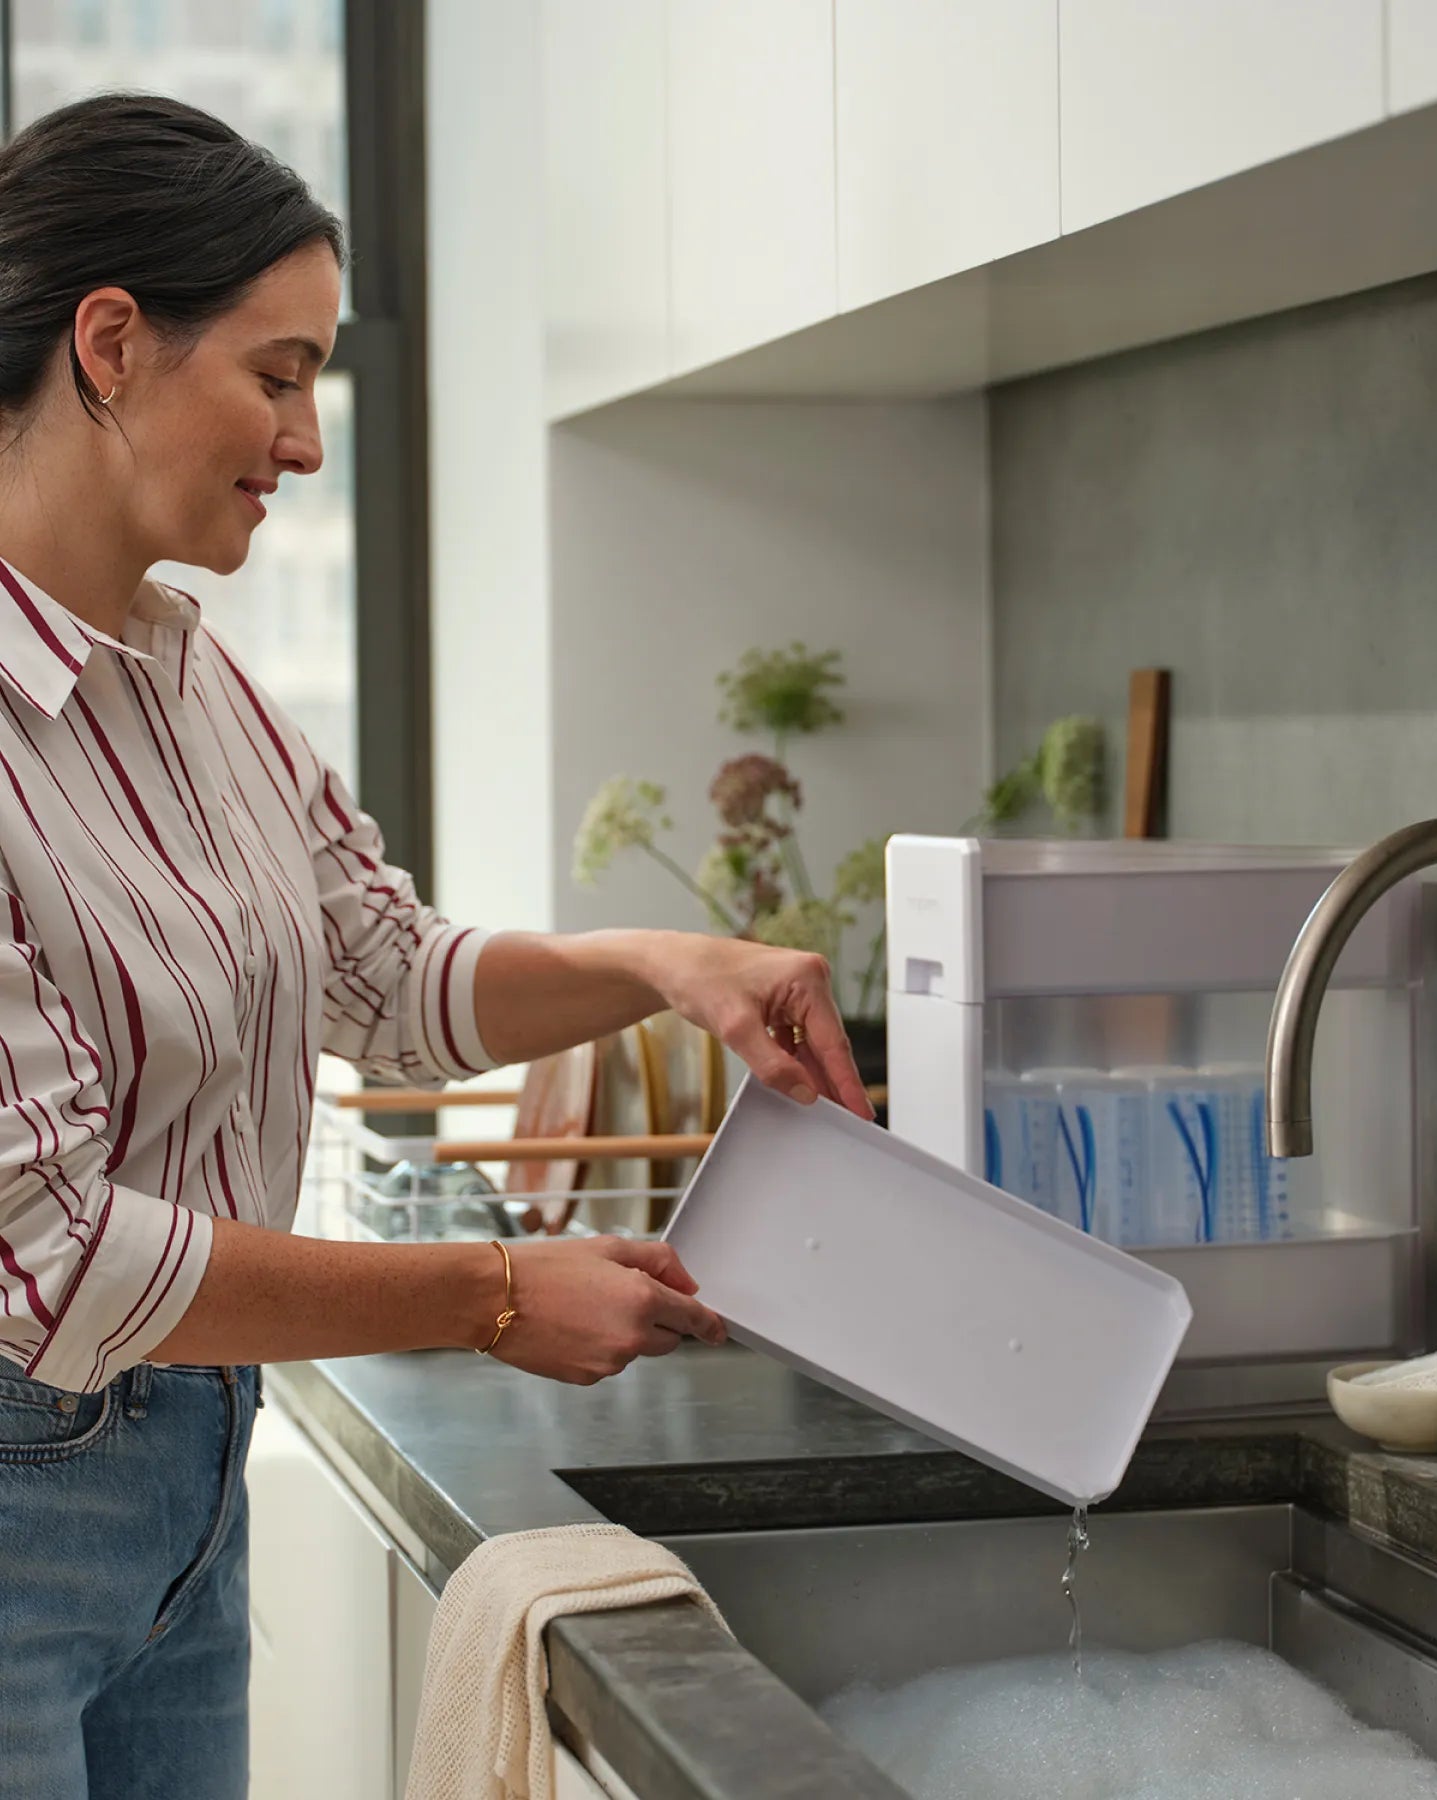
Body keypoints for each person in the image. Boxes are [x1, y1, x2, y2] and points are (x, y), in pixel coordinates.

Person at [0, 93, 872, 1800]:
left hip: (193, 1471)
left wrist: (659, 963)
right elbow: (59, 1257)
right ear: (110, 344)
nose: (309, 439)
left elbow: (384, 977)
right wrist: (483, 1294)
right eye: (276, 372)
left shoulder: (198, 687)